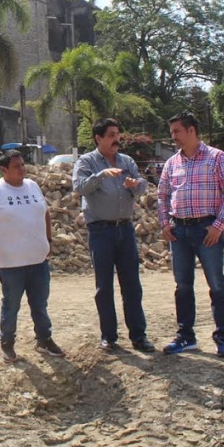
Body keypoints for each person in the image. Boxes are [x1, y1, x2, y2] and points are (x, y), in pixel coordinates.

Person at [157, 112, 224, 357]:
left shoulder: (216, 158)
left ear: (191, 130)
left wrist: (218, 225)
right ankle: (185, 337)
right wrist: (165, 223)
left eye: (177, 132)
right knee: (182, 285)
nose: (174, 138)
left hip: (207, 230)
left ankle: (222, 338)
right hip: (179, 231)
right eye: (172, 133)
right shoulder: (172, 163)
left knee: (216, 284)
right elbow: (162, 195)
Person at [73, 118, 155, 353]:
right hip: (101, 231)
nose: (116, 139)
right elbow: (78, 187)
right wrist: (102, 176)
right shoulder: (86, 162)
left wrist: (134, 184)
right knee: (104, 287)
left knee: (132, 285)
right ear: (98, 138)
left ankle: (139, 336)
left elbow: (142, 188)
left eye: (118, 134)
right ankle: (109, 336)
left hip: (125, 229)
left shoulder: (126, 161)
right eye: (111, 135)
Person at [0, 149, 65, 363]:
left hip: (38, 260)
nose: (22, 169)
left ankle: (44, 339)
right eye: (16, 166)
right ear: (4, 169)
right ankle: (7, 344)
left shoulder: (33, 186)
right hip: (11, 264)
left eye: (23, 165)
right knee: (11, 305)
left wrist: (48, 240)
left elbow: (44, 212)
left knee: (40, 304)